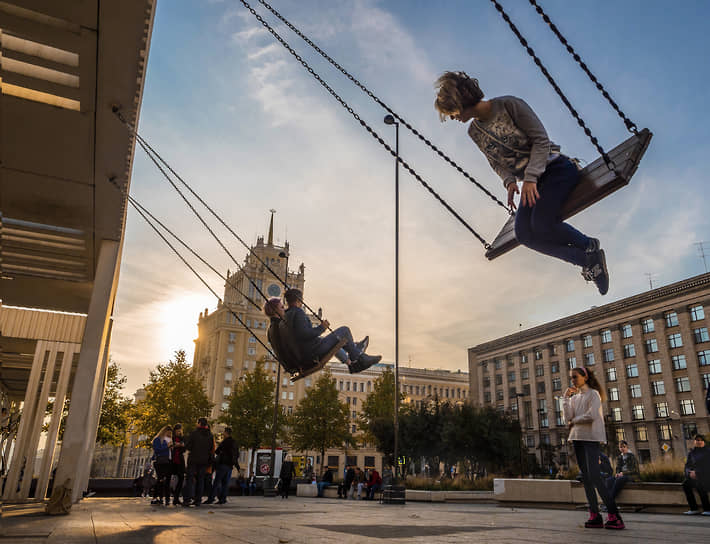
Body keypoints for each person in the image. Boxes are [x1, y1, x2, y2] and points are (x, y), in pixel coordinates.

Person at [434, 72, 609, 295]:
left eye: (452, 111)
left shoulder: (509, 105)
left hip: (555, 170)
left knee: (542, 224)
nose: (452, 117)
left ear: (462, 99)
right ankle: (587, 259)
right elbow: (495, 162)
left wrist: (531, 177)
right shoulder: (474, 132)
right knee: (525, 234)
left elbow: (541, 140)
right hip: (531, 183)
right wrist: (509, 182)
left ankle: (589, 246)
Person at [563, 366, 624, 529]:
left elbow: (592, 415)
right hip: (577, 438)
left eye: (575, 377)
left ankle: (614, 516)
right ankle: (595, 515)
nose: (573, 380)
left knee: (596, 477)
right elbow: (567, 417)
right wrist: (565, 399)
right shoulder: (575, 398)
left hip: (590, 438)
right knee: (586, 479)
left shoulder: (593, 394)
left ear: (585, 377)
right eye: (571, 377)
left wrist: (574, 421)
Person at [280, 290, 381, 374]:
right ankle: (358, 358)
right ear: (299, 300)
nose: (302, 303)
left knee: (336, 339)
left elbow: (300, 336)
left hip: (306, 353)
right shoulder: (298, 313)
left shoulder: (286, 316)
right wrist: (322, 328)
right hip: (312, 352)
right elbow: (305, 335)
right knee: (344, 330)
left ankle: (356, 353)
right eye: (301, 301)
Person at [183, 417, 214, 507]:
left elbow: (188, 446)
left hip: (193, 459)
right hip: (204, 461)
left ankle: (187, 499)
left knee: (190, 479)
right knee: (201, 480)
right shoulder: (210, 435)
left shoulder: (194, 433)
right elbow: (211, 448)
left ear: (199, 423)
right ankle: (198, 500)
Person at [206, 427, 239, 505]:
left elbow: (217, 451)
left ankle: (211, 498)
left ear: (226, 433)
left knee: (217, 482)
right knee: (225, 483)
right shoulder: (234, 442)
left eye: (224, 432)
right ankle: (223, 499)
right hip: (230, 466)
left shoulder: (225, 442)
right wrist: (236, 465)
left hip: (223, 464)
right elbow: (236, 454)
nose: (223, 434)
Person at [682, 434, 710, 515]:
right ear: (694, 442)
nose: (699, 442)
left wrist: (697, 472)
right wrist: (690, 472)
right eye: (697, 440)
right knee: (685, 484)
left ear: (704, 442)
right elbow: (687, 465)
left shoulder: (708, 452)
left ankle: (707, 509)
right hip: (694, 475)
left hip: (706, 476)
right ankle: (694, 509)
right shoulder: (692, 453)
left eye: (701, 440)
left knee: (700, 483)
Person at [150, 426, 173, 506]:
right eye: (168, 432)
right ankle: (155, 496)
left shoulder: (169, 440)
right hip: (160, 461)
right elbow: (157, 450)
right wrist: (167, 446)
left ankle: (160, 497)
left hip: (167, 461)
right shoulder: (158, 439)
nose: (169, 434)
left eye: (170, 433)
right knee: (160, 478)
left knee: (163, 479)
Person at [171, 423, 186, 505]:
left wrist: (180, 445)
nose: (179, 432)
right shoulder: (172, 438)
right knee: (170, 478)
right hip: (172, 460)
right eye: (177, 430)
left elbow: (184, 448)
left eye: (180, 430)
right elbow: (171, 446)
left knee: (181, 478)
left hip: (180, 461)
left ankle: (176, 498)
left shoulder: (182, 438)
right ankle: (167, 497)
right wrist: (177, 445)